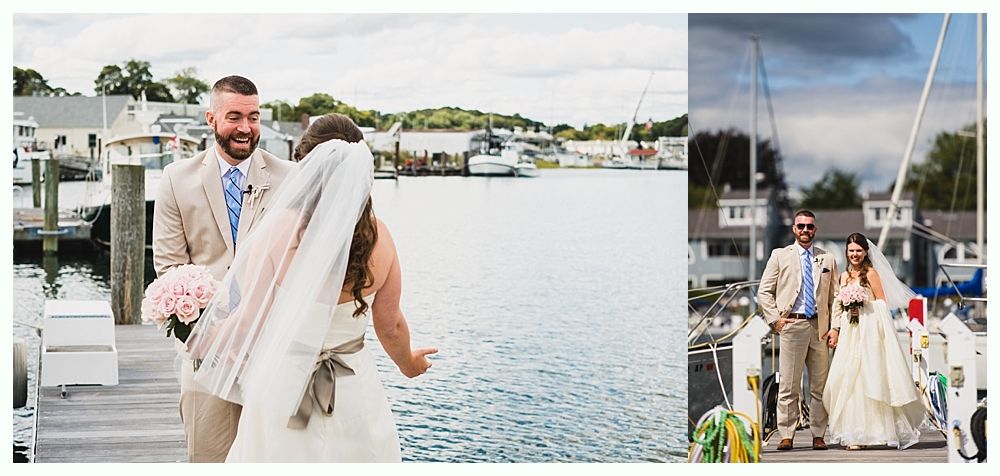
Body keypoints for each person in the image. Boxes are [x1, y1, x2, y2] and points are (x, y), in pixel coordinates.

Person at [186, 113, 437, 462]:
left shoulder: (278, 233)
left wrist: (200, 337)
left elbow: (250, 321)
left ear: (306, 165)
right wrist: (408, 363)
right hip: (354, 388)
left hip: (284, 386)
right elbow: (390, 324)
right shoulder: (380, 236)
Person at [152, 75, 297, 462]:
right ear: (211, 118)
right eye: (234, 116)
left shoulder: (290, 179)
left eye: (254, 117)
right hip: (205, 348)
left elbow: (299, 266)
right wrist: (213, 333)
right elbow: (168, 267)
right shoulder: (176, 179)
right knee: (208, 457)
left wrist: (253, 328)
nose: (246, 128)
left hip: (273, 349)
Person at [822, 233, 925, 450]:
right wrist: (836, 328)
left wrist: (862, 301)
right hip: (850, 332)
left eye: (858, 250)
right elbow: (838, 306)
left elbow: (882, 304)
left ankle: (873, 433)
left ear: (866, 251)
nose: (855, 254)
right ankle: (853, 434)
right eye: (851, 250)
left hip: (868, 331)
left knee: (869, 376)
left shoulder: (871, 274)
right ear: (846, 252)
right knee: (848, 378)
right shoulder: (844, 276)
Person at [757, 209, 839, 451]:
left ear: (815, 229)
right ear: (794, 229)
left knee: (819, 386)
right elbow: (764, 291)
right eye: (801, 226)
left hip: (819, 328)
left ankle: (818, 434)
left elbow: (835, 298)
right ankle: (786, 434)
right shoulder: (780, 255)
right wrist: (776, 320)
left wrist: (835, 328)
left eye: (810, 226)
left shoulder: (828, 259)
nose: (805, 230)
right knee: (789, 386)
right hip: (791, 325)